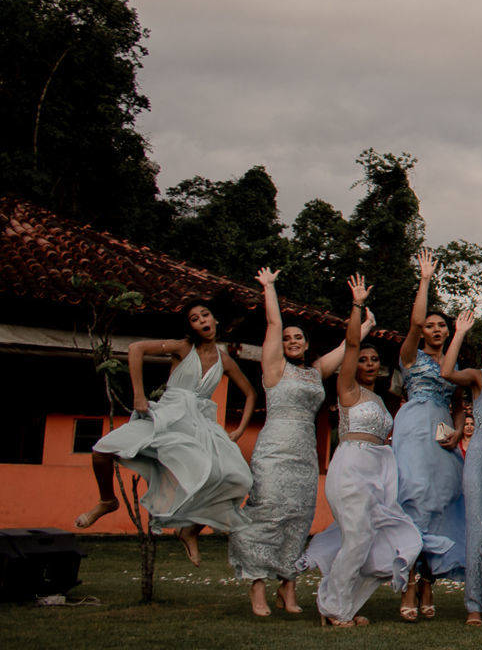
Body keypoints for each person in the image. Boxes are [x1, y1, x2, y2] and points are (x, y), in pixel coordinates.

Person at [76, 295, 256, 565]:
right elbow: (136, 349)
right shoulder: (183, 348)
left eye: (205, 315)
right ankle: (107, 500)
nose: (202, 321)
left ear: (215, 319)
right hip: (168, 415)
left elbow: (251, 393)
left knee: (236, 477)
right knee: (101, 452)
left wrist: (240, 430)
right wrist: (139, 395)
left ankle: (190, 530)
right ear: (191, 328)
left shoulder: (225, 360)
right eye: (194, 319)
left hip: (200, 425)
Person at [229, 266, 360, 616]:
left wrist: (361, 312)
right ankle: (257, 585)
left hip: (305, 455)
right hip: (275, 450)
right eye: (287, 339)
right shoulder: (274, 368)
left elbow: (351, 343)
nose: (291, 342)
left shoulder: (315, 372)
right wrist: (269, 287)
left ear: (306, 343)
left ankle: (288, 589)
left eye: (297, 338)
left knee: (298, 519)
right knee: (267, 514)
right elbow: (273, 325)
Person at [304, 275, 425, 627]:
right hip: (351, 467)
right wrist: (358, 308)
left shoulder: (381, 400)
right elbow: (352, 343)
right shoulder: (348, 390)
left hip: (377, 472)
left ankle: (342, 607)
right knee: (357, 539)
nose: (369, 363)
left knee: (374, 543)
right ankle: (333, 608)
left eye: (375, 361)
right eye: (364, 360)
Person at [392, 249, 466, 619]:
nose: (435, 330)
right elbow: (414, 320)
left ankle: (427, 582)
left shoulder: (452, 363)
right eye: (430, 326)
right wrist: (424, 279)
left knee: (439, 502)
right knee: (413, 496)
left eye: (442, 326)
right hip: (414, 427)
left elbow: (458, 404)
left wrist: (456, 432)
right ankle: (407, 581)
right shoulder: (410, 355)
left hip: (442, 436)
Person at [442, 309, 482, 625]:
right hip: (480, 454)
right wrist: (459, 333)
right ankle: (476, 605)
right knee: (479, 528)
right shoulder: (480, 376)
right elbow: (447, 371)